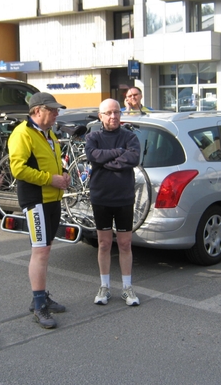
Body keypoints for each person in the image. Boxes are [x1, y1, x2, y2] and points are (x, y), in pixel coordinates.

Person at [8, 92, 70, 329]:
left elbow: (54, 162)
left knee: (46, 249)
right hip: (35, 200)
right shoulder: (22, 133)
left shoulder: (49, 133)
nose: (57, 113)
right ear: (37, 111)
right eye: (52, 110)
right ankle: (38, 305)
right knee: (40, 252)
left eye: (56, 110)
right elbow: (18, 170)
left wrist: (63, 173)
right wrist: (50, 179)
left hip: (52, 198)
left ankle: (41, 297)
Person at [85, 98, 141, 306]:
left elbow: (133, 158)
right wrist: (118, 152)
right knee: (104, 243)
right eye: (108, 113)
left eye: (116, 112)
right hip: (101, 196)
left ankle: (127, 288)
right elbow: (93, 155)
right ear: (100, 116)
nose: (113, 116)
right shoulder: (93, 137)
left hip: (124, 197)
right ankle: (105, 287)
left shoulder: (130, 136)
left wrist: (106, 160)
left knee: (125, 244)